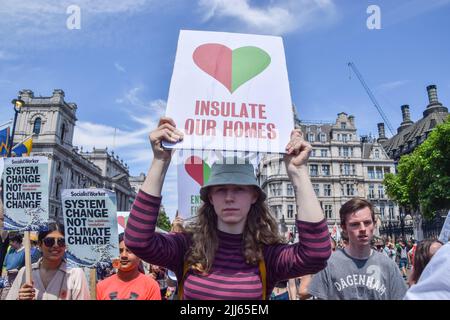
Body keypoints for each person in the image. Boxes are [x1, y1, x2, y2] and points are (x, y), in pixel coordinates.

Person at [124, 117, 331, 300]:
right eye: (221, 189)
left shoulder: (268, 255)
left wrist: (298, 171)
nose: (230, 197)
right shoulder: (187, 246)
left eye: (239, 189)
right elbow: (136, 240)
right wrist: (160, 160)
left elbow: (317, 254)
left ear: (253, 196)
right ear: (211, 198)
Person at [307, 198, 408, 300]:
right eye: (355, 224)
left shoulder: (388, 266)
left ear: (374, 224)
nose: (363, 229)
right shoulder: (329, 265)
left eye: (367, 222)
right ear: (344, 227)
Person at [6, 222, 90, 300]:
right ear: (39, 244)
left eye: (61, 241)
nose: (56, 245)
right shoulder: (25, 272)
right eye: (49, 241)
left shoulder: (75, 274)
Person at [96, 233, 161, 300]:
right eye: (120, 251)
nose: (124, 255)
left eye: (129, 251)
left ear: (139, 255)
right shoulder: (101, 287)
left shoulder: (151, 286)